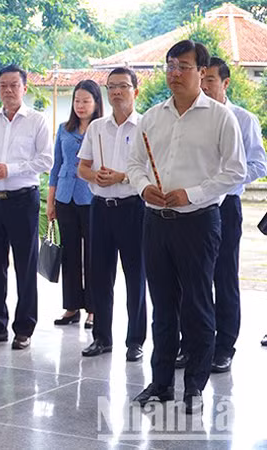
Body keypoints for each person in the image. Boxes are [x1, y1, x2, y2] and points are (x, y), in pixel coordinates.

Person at [129, 40, 246, 414]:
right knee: (162, 306)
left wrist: (192, 194)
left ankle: (195, 385)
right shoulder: (152, 116)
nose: (174, 73)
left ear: (201, 72)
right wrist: (143, 186)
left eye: (183, 66)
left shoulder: (219, 116)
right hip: (155, 222)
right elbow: (135, 164)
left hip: (198, 222)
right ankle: (161, 383)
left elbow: (235, 170)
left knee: (197, 305)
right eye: (169, 65)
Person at [173, 57, 267, 373]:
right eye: (200, 78)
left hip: (224, 206)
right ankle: (191, 345)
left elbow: (258, 165)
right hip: (190, 207)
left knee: (223, 277)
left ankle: (224, 346)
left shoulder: (243, 119)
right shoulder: (187, 116)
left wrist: (223, 179)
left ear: (226, 83)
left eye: (210, 79)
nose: (204, 84)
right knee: (190, 280)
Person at [0, 64, 53, 350]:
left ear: (24, 88)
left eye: (13, 85)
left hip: (23, 199)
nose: (7, 90)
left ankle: (24, 328)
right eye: (3, 85)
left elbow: (46, 160)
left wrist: (11, 169)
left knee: (25, 264)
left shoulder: (37, 121)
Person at [76, 68, 147, 362]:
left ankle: (135, 341)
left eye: (123, 86)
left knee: (135, 276)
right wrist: (96, 175)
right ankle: (102, 338)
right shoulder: (97, 128)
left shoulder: (146, 126)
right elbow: (82, 168)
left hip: (133, 208)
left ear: (135, 91)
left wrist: (121, 177)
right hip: (101, 209)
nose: (117, 92)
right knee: (100, 276)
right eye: (112, 87)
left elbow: (152, 172)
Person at [47, 80, 103, 329]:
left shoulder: (102, 129)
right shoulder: (63, 129)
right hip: (65, 197)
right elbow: (56, 165)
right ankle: (71, 307)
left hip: (91, 198)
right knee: (69, 254)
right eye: (77, 101)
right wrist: (51, 200)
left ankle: (93, 309)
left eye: (86, 101)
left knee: (93, 255)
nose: (80, 106)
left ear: (96, 103)